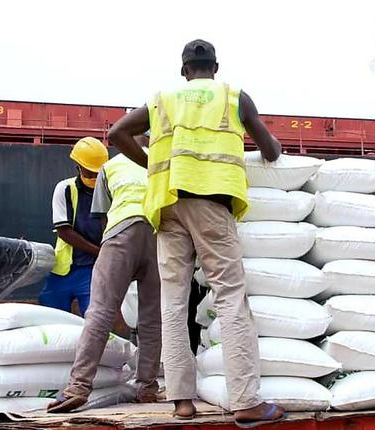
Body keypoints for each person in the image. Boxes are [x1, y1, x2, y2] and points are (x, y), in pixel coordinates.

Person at [108, 39, 285, 428]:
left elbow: (116, 133)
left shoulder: (163, 100)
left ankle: (181, 401)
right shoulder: (234, 96)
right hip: (211, 205)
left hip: (168, 204)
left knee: (173, 303)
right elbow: (270, 151)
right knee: (230, 298)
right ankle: (245, 401)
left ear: (184, 69)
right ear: (215, 67)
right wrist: (272, 146)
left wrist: (153, 164)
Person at [47, 136, 162, 413]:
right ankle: (147, 388)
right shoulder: (161, 163)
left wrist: (113, 251)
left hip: (120, 232)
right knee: (151, 317)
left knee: (100, 311)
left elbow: (102, 216)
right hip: (159, 237)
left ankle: (78, 387)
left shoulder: (111, 167)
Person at [40, 137, 108, 316]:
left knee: (94, 318)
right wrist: (99, 251)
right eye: (90, 172)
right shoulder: (65, 189)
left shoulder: (109, 191)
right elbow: (64, 232)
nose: (94, 177)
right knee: (52, 317)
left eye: (97, 173)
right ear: (78, 165)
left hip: (93, 270)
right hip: (64, 270)